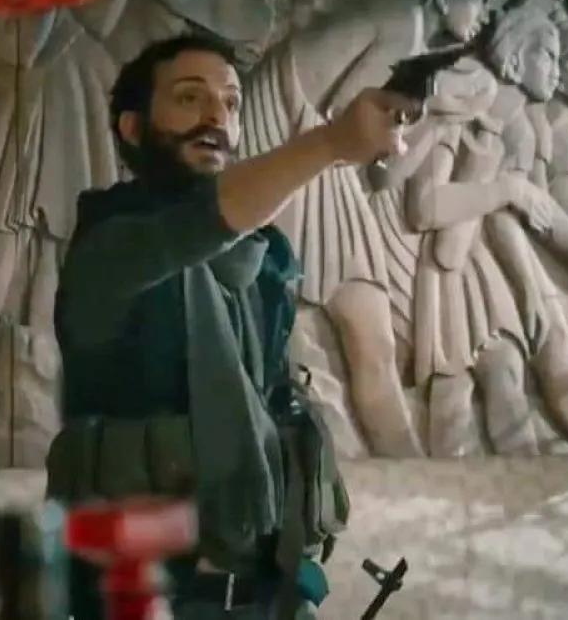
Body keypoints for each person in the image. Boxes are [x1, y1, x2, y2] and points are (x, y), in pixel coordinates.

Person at [45, 33, 419, 619]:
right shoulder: (108, 249)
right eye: (189, 98)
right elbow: (195, 226)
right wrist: (330, 143)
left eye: (230, 101)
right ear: (133, 128)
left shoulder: (264, 262)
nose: (215, 116)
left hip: (269, 599)